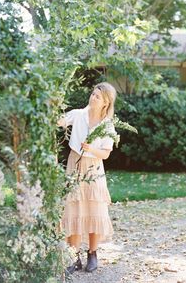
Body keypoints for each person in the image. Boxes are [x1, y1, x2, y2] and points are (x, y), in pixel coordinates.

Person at [57, 82, 117, 274]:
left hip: (94, 168)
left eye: (98, 97)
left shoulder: (106, 124)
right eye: (92, 94)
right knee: (74, 209)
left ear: (105, 103)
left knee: (94, 210)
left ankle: (92, 253)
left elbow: (106, 153)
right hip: (75, 164)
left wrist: (91, 148)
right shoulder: (78, 114)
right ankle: (74, 257)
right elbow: (59, 121)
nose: (93, 98)